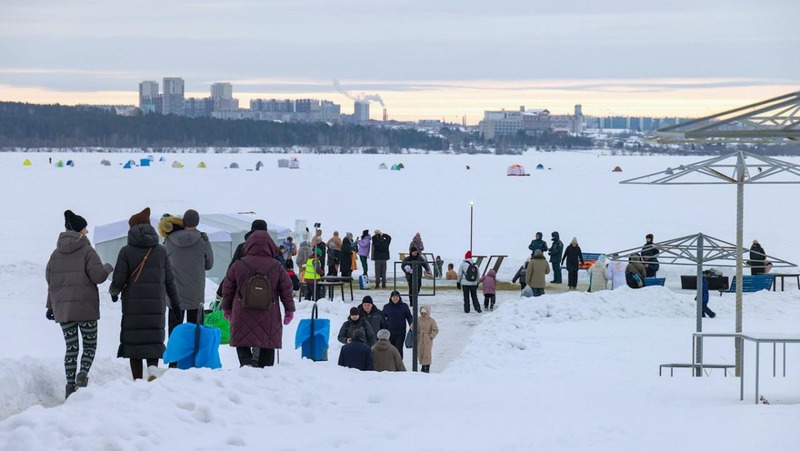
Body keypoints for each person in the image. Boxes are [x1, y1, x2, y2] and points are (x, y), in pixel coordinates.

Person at [46, 210, 114, 398]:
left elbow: (51, 283)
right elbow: (98, 277)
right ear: (79, 230)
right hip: (86, 310)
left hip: (64, 311)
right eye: (85, 228)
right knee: (89, 346)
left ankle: (69, 388)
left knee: (71, 348)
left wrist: (50, 306)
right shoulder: (87, 251)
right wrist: (108, 267)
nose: (87, 232)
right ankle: (82, 374)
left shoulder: (55, 254)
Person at [109, 207, 180, 381]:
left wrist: (114, 292)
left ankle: (137, 379)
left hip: (133, 303)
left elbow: (119, 277)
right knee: (153, 339)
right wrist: (176, 303)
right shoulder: (161, 251)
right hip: (156, 302)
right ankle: (153, 370)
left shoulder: (126, 251)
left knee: (135, 341)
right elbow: (170, 280)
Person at [221, 230, 295, 368]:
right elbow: (287, 289)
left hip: (242, 309)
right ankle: (265, 370)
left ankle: (246, 364)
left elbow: (228, 288)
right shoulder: (277, 266)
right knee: (267, 338)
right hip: (269, 311)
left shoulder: (239, 264)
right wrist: (289, 310)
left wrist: (226, 308)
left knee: (242, 338)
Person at [164, 209, 214, 339]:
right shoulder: (203, 240)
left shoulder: (169, 240)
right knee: (195, 333)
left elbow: (163, 263)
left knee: (175, 333)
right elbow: (209, 265)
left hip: (174, 293)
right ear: (197, 222)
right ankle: (193, 358)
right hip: (195, 293)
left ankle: (174, 359)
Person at [215, 219, 269, 299]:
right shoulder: (273, 250)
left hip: (243, 295)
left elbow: (231, 271)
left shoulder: (242, 248)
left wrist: (220, 292)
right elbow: (283, 274)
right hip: (267, 296)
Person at [382, 290, 412, 357]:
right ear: (391, 298)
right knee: (390, 349)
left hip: (400, 332)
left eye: (397, 297)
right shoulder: (387, 307)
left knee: (398, 349)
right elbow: (382, 318)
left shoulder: (404, 306)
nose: (395, 298)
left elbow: (409, 316)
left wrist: (411, 323)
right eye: (393, 297)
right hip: (390, 332)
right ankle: (391, 365)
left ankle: (399, 365)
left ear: (399, 297)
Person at [416, 305, 439, 373]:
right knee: (421, 352)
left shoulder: (431, 320)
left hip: (427, 339)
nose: (423, 314)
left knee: (427, 353)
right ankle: (422, 366)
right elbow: (416, 328)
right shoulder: (418, 319)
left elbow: (435, 330)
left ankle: (427, 367)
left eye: (425, 313)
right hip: (420, 338)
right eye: (422, 313)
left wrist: (431, 336)